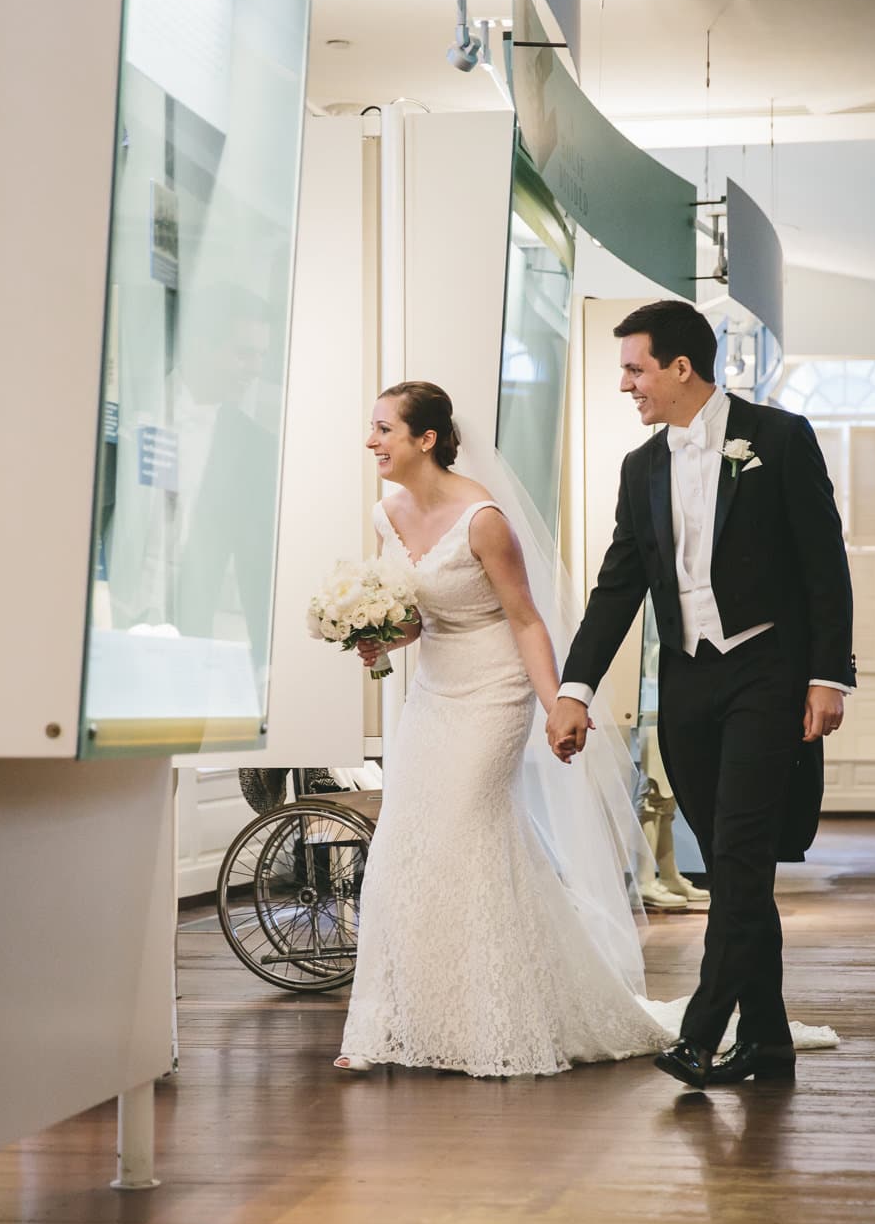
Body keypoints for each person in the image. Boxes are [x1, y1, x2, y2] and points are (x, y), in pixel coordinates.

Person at [333, 379, 836, 1078]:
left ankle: (494, 1016)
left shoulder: (483, 519)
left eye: (383, 428)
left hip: (495, 691)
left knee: (466, 834)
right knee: (402, 847)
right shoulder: (387, 514)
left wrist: (558, 704)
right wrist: (382, 635)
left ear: (424, 438)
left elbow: (526, 619)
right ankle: (391, 1019)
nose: (371, 440)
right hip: (432, 695)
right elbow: (424, 615)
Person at [547, 300, 856, 1088]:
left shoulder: (780, 439)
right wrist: (575, 688)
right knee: (732, 868)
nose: (625, 385)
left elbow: (825, 564)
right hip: (687, 685)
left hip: (767, 674)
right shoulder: (641, 467)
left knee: (742, 854)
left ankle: (702, 1032)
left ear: (680, 368)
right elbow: (617, 589)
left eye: (633, 368)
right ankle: (770, 1039)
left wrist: (829, 674)